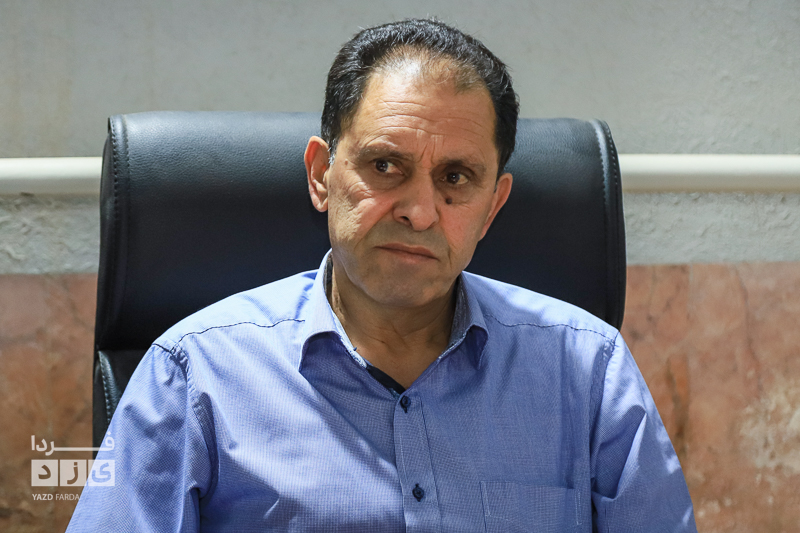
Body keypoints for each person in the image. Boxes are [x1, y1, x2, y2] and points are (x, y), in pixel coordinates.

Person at [68, 18, 696, 532]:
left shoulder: (587, 371)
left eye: (456, 178)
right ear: (321, 175)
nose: (420, 212)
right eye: (386, 166)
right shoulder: (193, 373)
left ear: (492, 207)